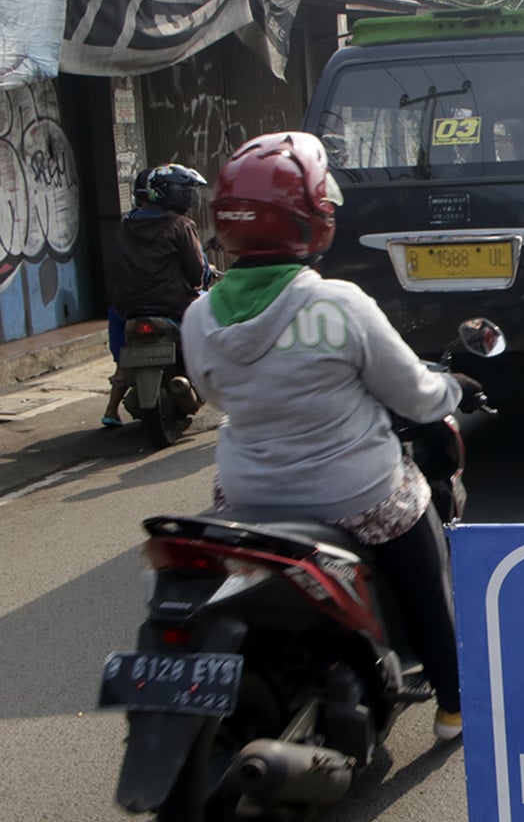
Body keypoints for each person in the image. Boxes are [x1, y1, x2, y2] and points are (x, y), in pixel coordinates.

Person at [180, 132, 476, 741]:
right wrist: (455, 391)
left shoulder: (200, 316)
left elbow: (214, 396)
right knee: (428, 576)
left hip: (248, 503)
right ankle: (453, 706)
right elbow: (414, 393)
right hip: (356, 497)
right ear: (314, 216)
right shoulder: (339, 305)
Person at [102, 164, 210, 428]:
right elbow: (196, 272)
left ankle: (115, 396)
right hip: (173, 306)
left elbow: (116, 268)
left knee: (118, 328)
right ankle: (210, 373)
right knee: (211, 311)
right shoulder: (182, 225)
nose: (190, 196)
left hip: (128, 308)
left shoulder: (126, 226)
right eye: (186, 190)